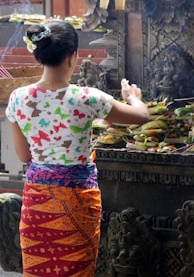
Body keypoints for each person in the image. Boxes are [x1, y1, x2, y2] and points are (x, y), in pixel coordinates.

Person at [5, 20, 150, 277]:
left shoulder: (19, 97)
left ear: (38, 54)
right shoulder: (87, 97)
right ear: (73, 56)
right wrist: (133, 97)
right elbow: (141, 117)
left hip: (37, 205)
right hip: (77, 204)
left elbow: (24, 156)